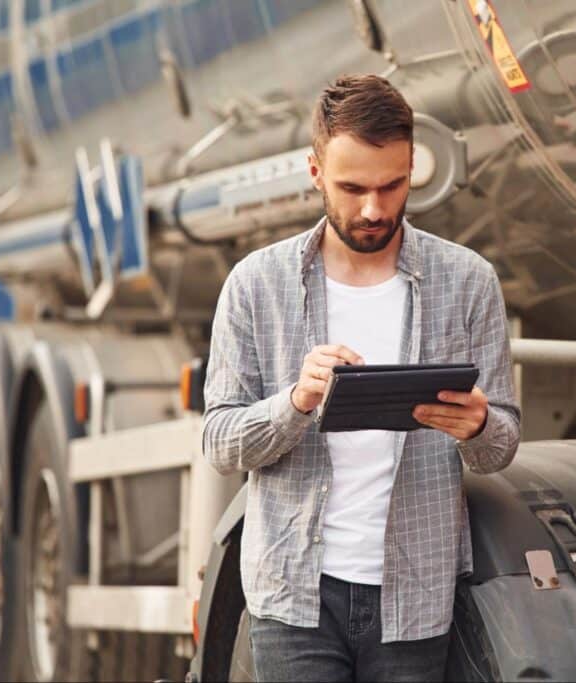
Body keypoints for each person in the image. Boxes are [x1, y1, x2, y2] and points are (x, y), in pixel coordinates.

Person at [202, 74, 521, 682]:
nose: (374, 209)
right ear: (315, 170)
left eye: (392, 186)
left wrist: (478, 424)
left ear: (411, 170)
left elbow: (500, 446)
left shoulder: (469, 281)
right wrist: (295, 402)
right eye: (352, 187)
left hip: (414, 597)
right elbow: (219, 442)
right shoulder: (256, 284)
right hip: (293, 595)